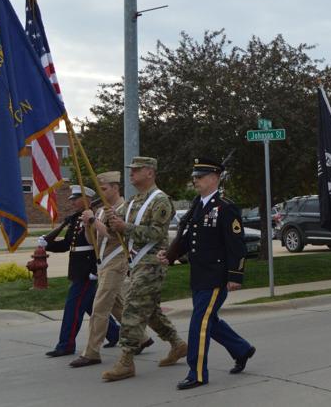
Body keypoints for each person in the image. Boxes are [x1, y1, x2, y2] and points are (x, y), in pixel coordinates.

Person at [161, 157, 255, 390]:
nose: (195, 180)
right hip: (199, 275)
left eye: (200, 176)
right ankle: (241, 349)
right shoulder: (198, 205)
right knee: (209, 320)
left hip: (216, 276)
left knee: (199, 324)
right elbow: (190, 239)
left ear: (214, 178)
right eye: (195, 176)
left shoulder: (225, 207)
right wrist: (170, 255)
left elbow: (236, 245)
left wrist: (235, 275)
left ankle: (197, 372)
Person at [102, 156, 187, 382]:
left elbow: (157, 233)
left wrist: (125, 226)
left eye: (137, 170)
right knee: (149, 310)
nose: (131, 173)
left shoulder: (160, 201)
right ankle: (177, 344)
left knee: (133, 307)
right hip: (136, 262)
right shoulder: (132, 201)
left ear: (150, 172)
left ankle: (127, 360)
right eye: (132, 170)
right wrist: (112, 223)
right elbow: (118, 232)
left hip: (152, 263)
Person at [71, 172, 150, 368]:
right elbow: (93, 240)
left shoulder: (125, 209)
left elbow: (113, 234)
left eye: (104, 189)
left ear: (116, 188)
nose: (102, 193)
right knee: (117, 306)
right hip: (103, 263)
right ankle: (141, 338)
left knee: (99, 307)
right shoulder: (98, 211)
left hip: (117, 262)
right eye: (100, 189)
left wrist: (93, 222)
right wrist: (88, 225)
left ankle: (91, 352)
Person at [39, 185, 119, 358]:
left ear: (87, 200)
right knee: (91, 306)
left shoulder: (95, 217)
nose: (73, 202)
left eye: (76, 199)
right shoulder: (76, 219)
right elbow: (69, 244)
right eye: (72, 199)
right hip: (78, 269)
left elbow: (97, 246)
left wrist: (93, 270)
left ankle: (66, 344)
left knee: (73, 308)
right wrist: (49, 244)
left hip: (87, 271)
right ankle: (114, 333)